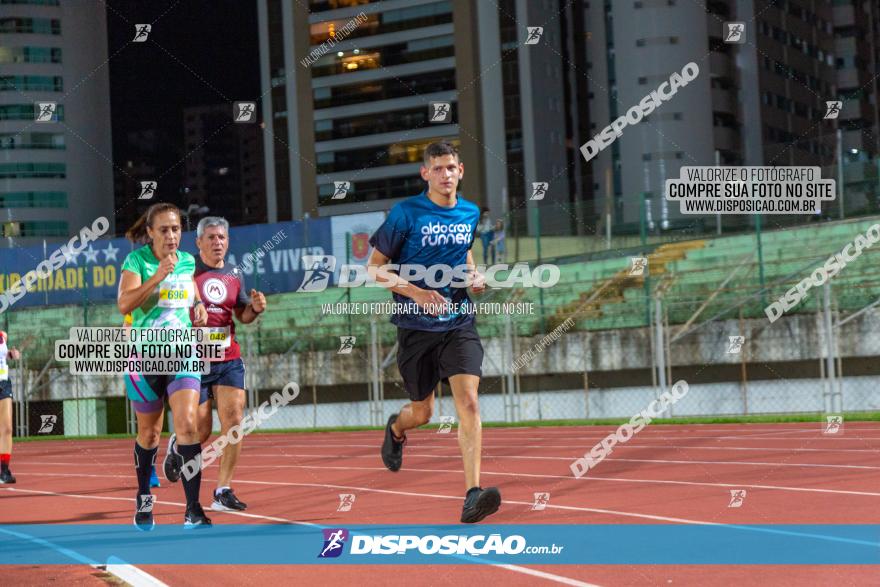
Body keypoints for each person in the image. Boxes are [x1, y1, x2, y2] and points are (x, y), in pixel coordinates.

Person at [368, 141, 501, 523]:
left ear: (461, 170)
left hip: (458, 322)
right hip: (415, 328)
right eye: (438, 168)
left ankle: (472, 494)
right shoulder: (405, 213)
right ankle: (396, 427)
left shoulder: (470, 212)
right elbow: (374, 267)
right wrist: (416, 293)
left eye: (451, 168)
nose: (446, 175)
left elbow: (466, 253)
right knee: (423, 412)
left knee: (470, 403)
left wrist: (475, 276)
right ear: (425, 173)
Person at [163, 216, 266, 513]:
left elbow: (241, 316)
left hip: (228, 358)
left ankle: (223, 490)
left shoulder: (235, 274)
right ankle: (176, 444)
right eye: (210, 237)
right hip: (192, 359)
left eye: (221, 237)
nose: (217, 242)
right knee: (201, 430)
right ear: (198, 242)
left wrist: (254, 310)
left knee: (234, 422)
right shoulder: (186, 270)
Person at [118, 202, 211, 530]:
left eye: (176, 229)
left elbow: (192, 293)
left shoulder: (187, 261)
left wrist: (198, 306)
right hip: (144, 358)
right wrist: (157, 276)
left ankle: (193, 509)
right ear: (150, 233)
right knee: (150, 432)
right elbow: (124, 304)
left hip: (183, 353)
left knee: (188, 426)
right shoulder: (136, 261)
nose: (172, 236)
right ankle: (144, 497)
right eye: (164, 230)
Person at [0, 331, 21, 484]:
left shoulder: (3, 336)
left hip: (3, 383)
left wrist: (11, 354)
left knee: (7, 428)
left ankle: (4, 471)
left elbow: (3, 356)